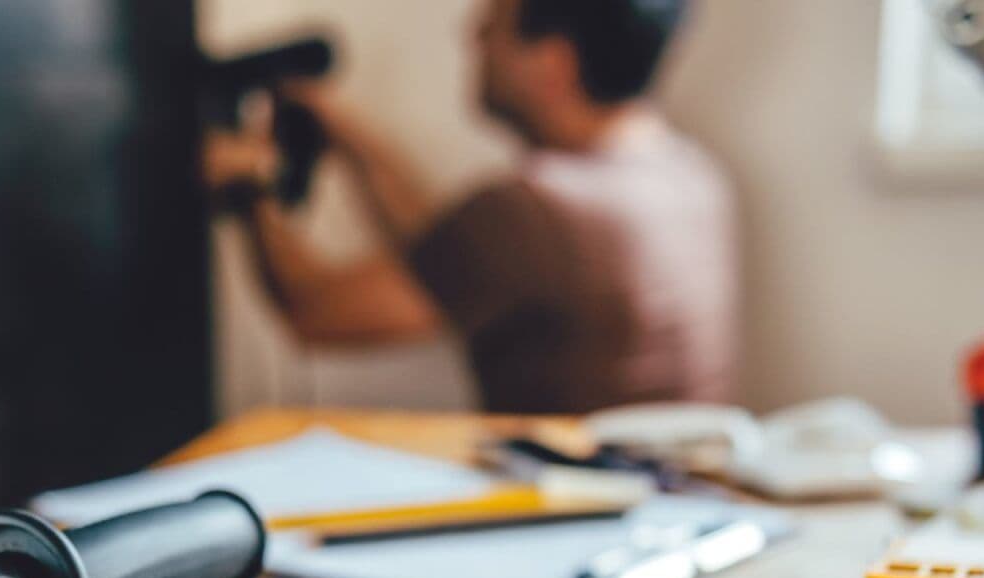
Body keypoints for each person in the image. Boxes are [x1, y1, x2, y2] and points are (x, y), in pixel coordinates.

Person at [204, 0, 737, 414]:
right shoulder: (688, 174)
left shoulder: (530, 212)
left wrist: (251, 185)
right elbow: (446, 257)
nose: (473, 36)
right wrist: (349, 139)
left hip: (571, 520)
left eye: (494, 25)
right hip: (672, 512)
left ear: (553, 64)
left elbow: (316, 312)